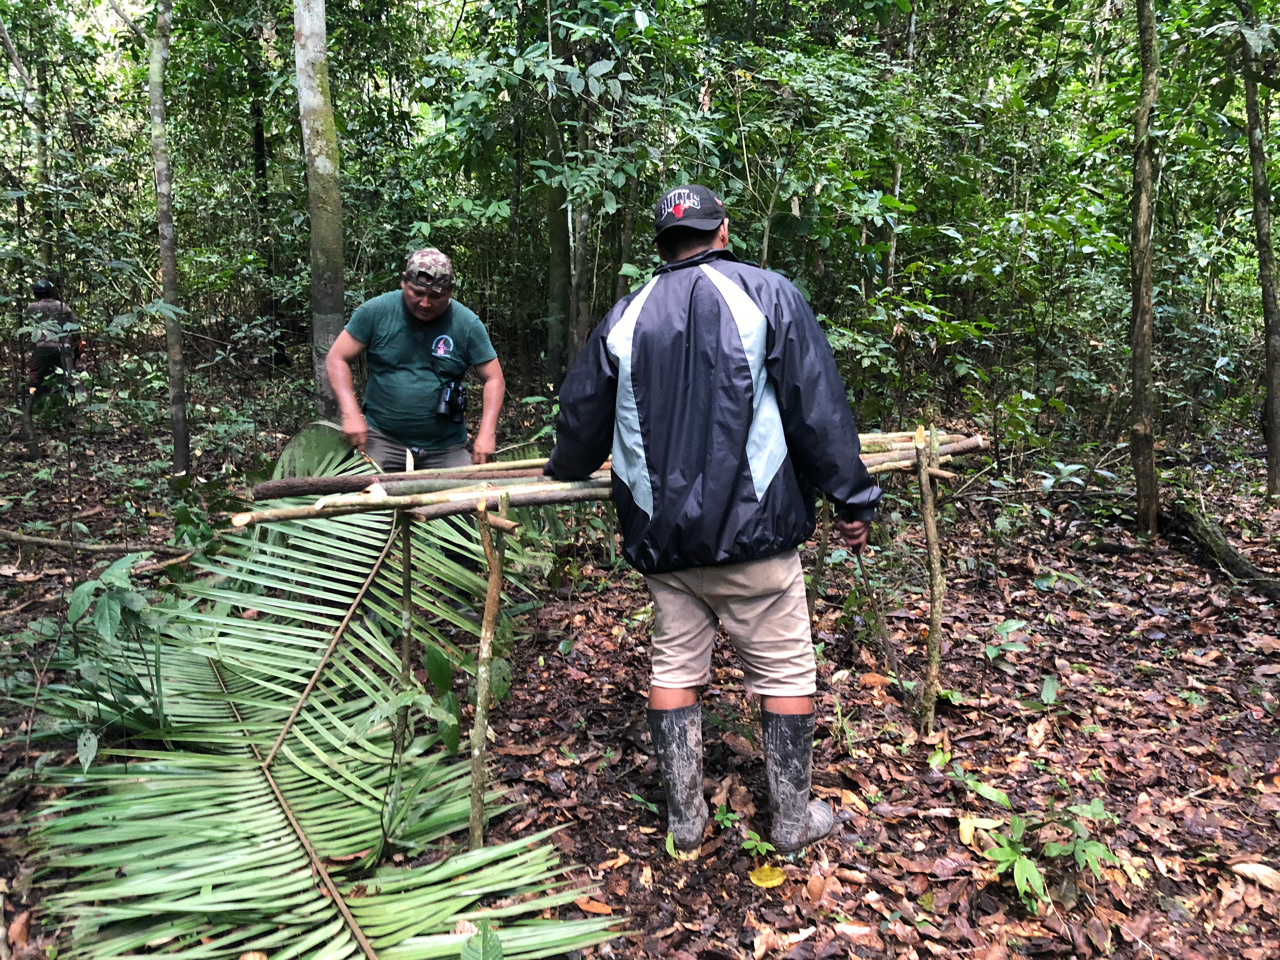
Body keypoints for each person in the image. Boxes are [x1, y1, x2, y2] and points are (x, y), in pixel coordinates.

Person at [544, 185, 883, 855]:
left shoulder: (628, 312)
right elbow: (816, 410)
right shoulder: (767, 294)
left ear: (661, 245)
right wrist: (853, 499)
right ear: (722, 230)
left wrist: (564, 466)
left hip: (664, 540)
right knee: (785, 672)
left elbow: (581, 419)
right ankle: (789, 821)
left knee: (674, 668)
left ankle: (685, 821)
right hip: (754, 533)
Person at [326, 248, 506, 472]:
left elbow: (494, 378)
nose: (425, 303)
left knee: (467, 502)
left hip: (445, 447)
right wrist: (351, 413)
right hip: (383, 440)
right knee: (366, 497)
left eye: (436, 296)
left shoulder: (467, 324)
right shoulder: (376, 312)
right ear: (404, 282)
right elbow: (337, 358)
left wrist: (487, 433)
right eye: (417, 293)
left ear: (450, 291)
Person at [22, 279, 83, 445]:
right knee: (67, 378)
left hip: (42, 348)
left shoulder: (31, 308)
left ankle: (31, 410)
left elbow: (28, 326)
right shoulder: (63, 307)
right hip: (63, 347)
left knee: (36, 379)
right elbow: (75, 326)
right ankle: (70, 412)